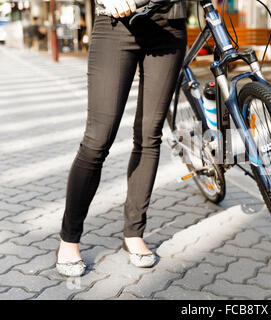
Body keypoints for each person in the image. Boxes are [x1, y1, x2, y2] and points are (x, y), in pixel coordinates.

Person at [55, 0, 187, 277]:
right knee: (97, 140)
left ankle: (134, 233)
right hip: (116, 25)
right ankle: (69, 238)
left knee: (149, 136)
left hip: (169, 24)